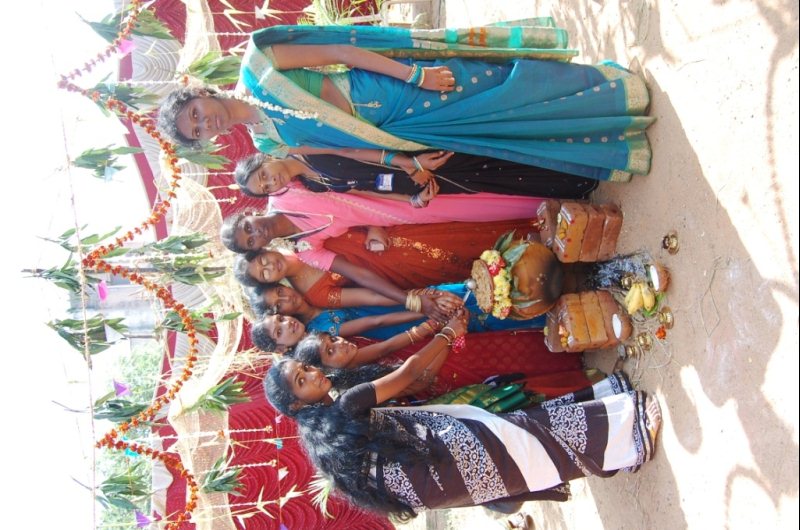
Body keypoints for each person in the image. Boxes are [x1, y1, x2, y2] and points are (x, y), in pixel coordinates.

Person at [264, 312, 663, 517]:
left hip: (436, 484)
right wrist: (447, 333)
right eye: (302, 380)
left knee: (526, 463)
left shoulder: (326, 447)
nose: (313, 375)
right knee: (529, 436)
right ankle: (632, 429)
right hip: (441, 456)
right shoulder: (346, 405)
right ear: (297, 405)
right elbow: (408, 374)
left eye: (307, 369)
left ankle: (622, 446)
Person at [159, 20, 653, 182]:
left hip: (386, 88)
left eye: (195, 114)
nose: (205, 124)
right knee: (497, 124)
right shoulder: (268, 144)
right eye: (197, 131)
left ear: (200, 94)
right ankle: (615, 137)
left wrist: (416, 73)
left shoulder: (260, 68)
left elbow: (339, 52)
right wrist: (403, 161)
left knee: (497, 86)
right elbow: (344, 149)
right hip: (399, 132)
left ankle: (607, 90)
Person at [235, 151, 598, 201]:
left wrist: (414, 162)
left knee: (490, 160)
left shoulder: (309, 147)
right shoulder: (313, 185)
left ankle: (582, 160)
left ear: (265, 159)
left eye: (263, 175)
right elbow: (368, 191)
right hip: (414, 182)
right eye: (265, 188)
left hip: (414, 157)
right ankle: (577, 182)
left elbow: (363, 148)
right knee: (490, 182)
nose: (271, 182)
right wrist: (413, 199)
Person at [250, 281, 545, 342]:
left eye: (279, 292)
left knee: (462, 291)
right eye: (278, 306)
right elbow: (374, 322)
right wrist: (424, 313)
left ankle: (535, 284)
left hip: (401, 297)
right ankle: (544, 309)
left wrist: (419, 297)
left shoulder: (312, 289)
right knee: (477, 314)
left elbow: (370, 294)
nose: (285, 299)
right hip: (400, 321)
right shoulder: (319, 332)